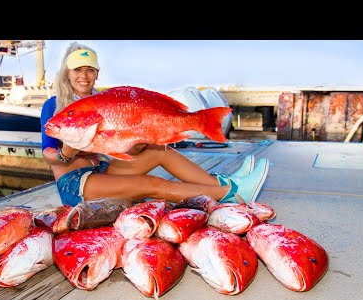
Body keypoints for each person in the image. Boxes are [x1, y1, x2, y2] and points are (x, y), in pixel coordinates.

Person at [40, 42, 269, 208]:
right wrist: (66, 154)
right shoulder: (55, 106)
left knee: (159, 150)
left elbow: (127, 149)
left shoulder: (103, 102)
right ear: (67, 73)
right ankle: (229, 194)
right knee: (151, 184)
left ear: (97, 73)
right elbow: (48, 155)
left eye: (90, 69)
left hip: (101, 172)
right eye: (78, 69)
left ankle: (226, 182)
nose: (84, 76)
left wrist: (140, 141)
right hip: (75, 186)